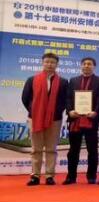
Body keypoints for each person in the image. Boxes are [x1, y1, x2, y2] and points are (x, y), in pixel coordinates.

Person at [21, 52, 68, 186]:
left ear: (56, 64)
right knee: (36, 149)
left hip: (55, 119)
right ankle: (35, 176)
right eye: (47, 62)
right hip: (35, 118)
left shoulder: (63, 82)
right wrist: (34, 111)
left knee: (51, 149)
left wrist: (55, 112)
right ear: (42, 63)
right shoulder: (32, 80)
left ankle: (49, 176)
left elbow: (65, 100)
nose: (49, 64)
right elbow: (25, 98)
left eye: (52, 62)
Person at [63, 57, 99, 185]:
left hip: (91, 120)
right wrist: (69, 111)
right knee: (73, 150)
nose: (87, 66)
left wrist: (96, 112)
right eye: (84, 64)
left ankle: (91, 176)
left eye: (89, 64)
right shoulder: (73, 80)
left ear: (94, 66)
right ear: (81, 66)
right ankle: (71, 177)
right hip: (75, 120)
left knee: (92, 150)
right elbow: (68, 98)